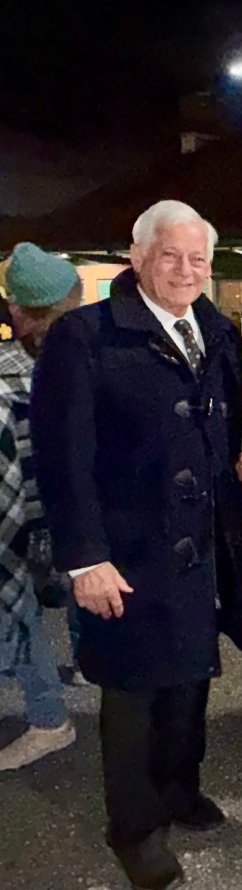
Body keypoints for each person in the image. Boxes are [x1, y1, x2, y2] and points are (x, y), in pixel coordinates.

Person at [32, 200, 242, 890]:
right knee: (133, 696)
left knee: (190, 680)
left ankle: (178, 790)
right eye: (170, 255)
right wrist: (85, 557)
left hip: (199, 549)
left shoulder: (215, 329)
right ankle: (134, 828)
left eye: (198, 258)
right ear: (137, 259)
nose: (185, 269)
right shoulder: (86, 336)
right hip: (126, 556)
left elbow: (232, 425)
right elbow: (61, 456)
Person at [0, 243, 82, 770]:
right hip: (78, 508)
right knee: (82, 585)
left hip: (26, 511)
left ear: (22, 310)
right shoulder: (92, 353)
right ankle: (89, 665)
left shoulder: (10, 373)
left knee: (16, 603)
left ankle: (49, 717)